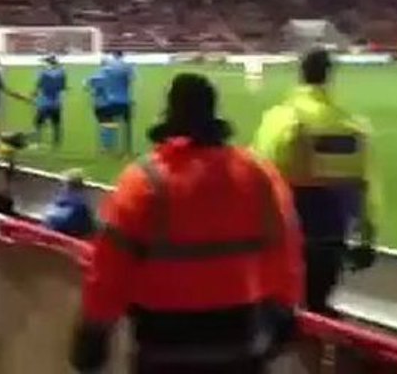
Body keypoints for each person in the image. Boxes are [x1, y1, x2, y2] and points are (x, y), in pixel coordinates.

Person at [71, 73, 302, 374]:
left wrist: (93, 334)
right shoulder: (259, 176)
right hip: (243, 348)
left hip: (164, 351)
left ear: (170, 119)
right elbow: (285, 254)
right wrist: (284, 314)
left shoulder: (144, 182)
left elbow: (109, 270)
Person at [253, 48, 380, 316]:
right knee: (318, 309)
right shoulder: (353, 127)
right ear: (329, 77)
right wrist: (368, 238)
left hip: (286, 237)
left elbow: (257, 175)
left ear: (300, 75)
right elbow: (366, 185)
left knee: (284, 313)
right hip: (333, 235)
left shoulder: (280, 119)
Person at [44, 169, 95, 238]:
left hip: (64, 236)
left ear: (67, 184)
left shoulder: (68, 200)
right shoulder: (82, 201)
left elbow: (54, 221)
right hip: (65, 235)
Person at [102, 51, 134, 155]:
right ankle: (127, 150)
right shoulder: (127, 67)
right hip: (124, 99)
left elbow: (104, 82)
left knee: (109, 124)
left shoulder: (107, 67)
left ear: (113, 55)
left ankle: (109, 148)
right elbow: (130, 80)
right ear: (122, 55)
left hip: (110, 99)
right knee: (126, 126)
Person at [32, 55, 67, 149]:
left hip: (45, 103)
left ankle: (37, 142)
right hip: (56, 103)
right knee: (56, 123)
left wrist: (34, 94)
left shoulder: (43, 73)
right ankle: (56, 142)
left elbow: (38, 86)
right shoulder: (62, 73)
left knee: (37, 123)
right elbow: (63, 87)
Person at [85, 68, 117, 154]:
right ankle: (107, 145)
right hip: (108, 105)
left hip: (97, 105)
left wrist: (91, 92)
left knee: (103, 125)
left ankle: (105, 145)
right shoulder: (112, 78)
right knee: (109, 125)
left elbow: (85, 83)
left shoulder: (96, 78)